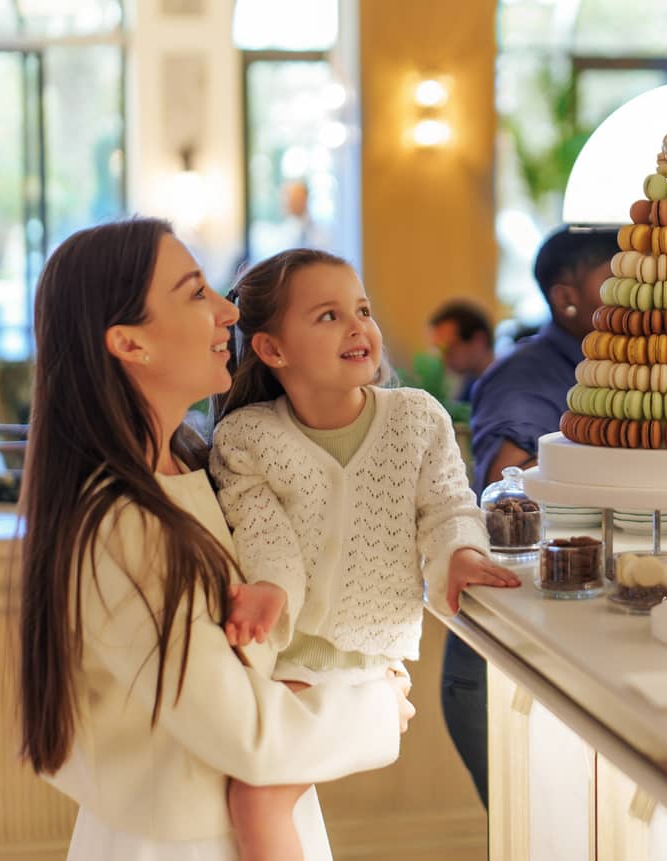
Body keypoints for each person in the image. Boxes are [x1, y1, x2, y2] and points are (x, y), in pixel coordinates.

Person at [17, 218, 415, 860]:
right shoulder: (121, 521)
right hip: (182, 843)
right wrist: (375, 705)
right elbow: (244, 732)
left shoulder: (196, 467)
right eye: (195, 292)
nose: (227, 310)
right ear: (129, 343)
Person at [208, 248, 522, 857]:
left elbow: (449, 508)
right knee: (253, 797)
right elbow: (261, 536)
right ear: (272, 350)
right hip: (289, 664)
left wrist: (459, 553)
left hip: (371, 664)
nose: (358, 328)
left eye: (363, 309)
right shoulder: (246, 438)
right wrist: (271, 592)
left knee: (256, 797)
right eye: (327, 316)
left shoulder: (416, 419)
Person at [440, 227, 618, 806]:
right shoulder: (526, 378)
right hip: (508, 663)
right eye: (618, 278)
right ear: (567, 299)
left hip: (584, 650)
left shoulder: (635, 374)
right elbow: (507, 482)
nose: (639, 291)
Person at [427, 299, 496, 403]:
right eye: (439, 350)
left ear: (478, 341)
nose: (443, 358)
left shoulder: (504, 387)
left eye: (449, 348)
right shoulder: (467, 387)